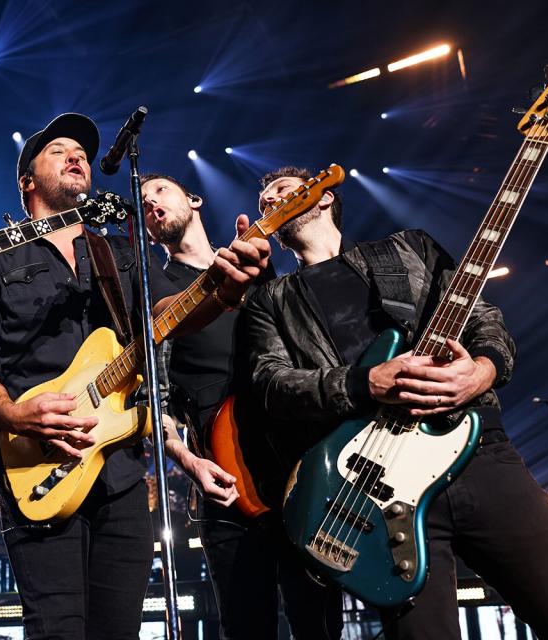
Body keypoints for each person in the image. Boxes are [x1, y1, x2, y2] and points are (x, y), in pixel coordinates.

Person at [0, 112, 271, 640]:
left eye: (81, 151)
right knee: (59, 629)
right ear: (27, 180)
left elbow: (163, 319)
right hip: (38, 466)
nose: (76, 155)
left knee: (119, 630)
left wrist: (223, 289)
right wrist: (15, 413)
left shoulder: (119, 253)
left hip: (122, 469)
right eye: (58, 149)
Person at [242, 166, 548, 639]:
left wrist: (482, 371)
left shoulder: (406, 248)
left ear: (324, 196)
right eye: (264, 202)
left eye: (283, 191)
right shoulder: (271, 299)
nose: (271, 203)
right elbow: (270, 384)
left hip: (476, 452)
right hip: (376, 488)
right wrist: (361, 383)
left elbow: (484, 319)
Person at [140, 172, 343, 639]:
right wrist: (186, 459)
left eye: (161, 191)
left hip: (298, 470)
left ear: (193, 200)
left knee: (321, 623)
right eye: (144, 200)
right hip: (225, 477)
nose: (151, 202)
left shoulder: (260, 269)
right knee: (247, 626)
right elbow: (152, 396)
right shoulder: (153, 288)